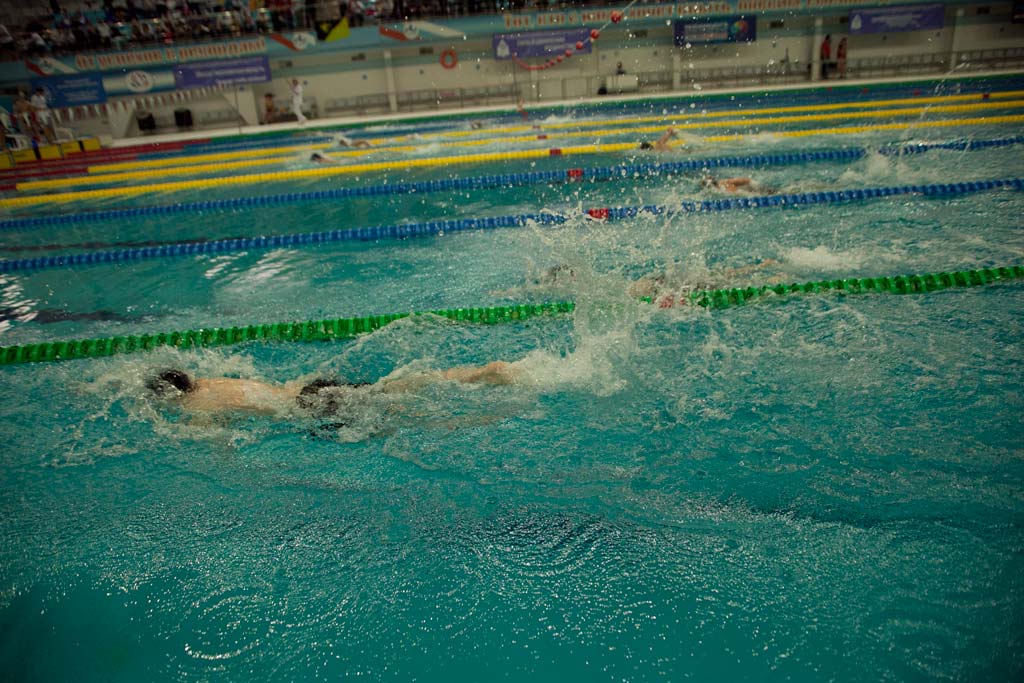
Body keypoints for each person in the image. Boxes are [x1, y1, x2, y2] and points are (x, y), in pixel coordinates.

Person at [146, 362, 521, 417]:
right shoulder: (213, 380)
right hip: (307, 389)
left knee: (401, 412)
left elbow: (215, 443)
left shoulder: (197, 405)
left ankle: (481, 410)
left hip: (306, 410)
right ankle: (477, 374)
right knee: (388, 389)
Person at [699, 174, 776, 195]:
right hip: (751, 183)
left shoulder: (724, 187)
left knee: (772, 193)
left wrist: (757, 195)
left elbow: (741, 192)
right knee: (773, 191)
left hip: (752, 185)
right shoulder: (721, 183)